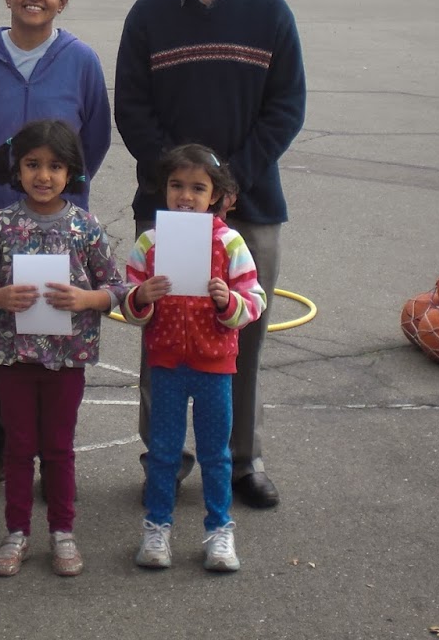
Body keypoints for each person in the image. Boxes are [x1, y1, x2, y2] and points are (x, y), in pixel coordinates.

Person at [114, 0, 306, 511]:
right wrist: (183, 182)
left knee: (242, 331)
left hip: (251, 204)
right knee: (163, 335)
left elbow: (286, 108)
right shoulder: (146, 17)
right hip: (169, 208)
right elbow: (132, 110)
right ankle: (165, 460)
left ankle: (242, 459)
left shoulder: (270, 13)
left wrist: (229, 184)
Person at [0, 0, 111, 499]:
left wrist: (64, 193)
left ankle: (49, 454)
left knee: (52, 338)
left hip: (59, 228)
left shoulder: (81, 59)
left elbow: (95, 140)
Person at [0, 119, 124, 579]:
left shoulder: (85, 226)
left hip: (67, 359)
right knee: (18, 447)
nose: (43, 175)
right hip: (12, 357)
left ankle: (62, 532)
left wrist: (86, 299)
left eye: (54, 166)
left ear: (71, 172)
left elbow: (117, 289)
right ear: (17, 168)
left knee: (58, 448)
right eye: (32, 164)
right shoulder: (0, 224)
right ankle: (17, 533)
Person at [122, 144, 264, 573]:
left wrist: (228, 302)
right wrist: (140, 298)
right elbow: (127, 303)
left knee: (216, 453)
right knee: (164, 451)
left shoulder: (230, 242)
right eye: (176, 185)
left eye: (197, 188)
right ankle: (156, 527)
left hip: (214, 365)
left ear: (216, 196)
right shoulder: (149, 242)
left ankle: (220, 530)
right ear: (164, 189)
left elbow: (254, 300)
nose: (185, 196)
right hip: (166, 363)